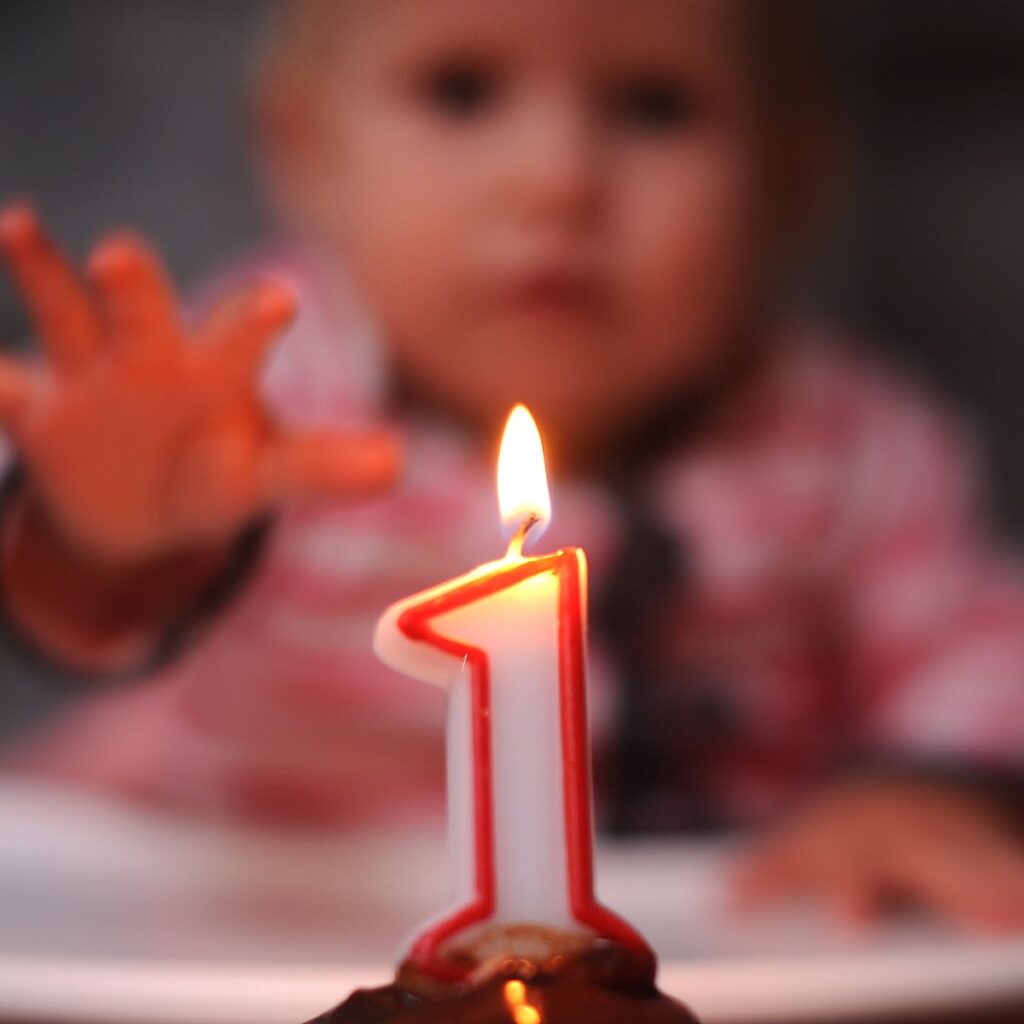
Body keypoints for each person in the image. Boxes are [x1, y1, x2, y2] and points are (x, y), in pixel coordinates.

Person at [0, 0, 1021, 931]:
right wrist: (107, 529)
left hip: (710, 930)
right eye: (462, 90)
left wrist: (921, 789)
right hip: (276, 914)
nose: (556, 177)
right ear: (307, 149)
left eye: (654, 106)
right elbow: (94, 612)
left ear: (789, 176)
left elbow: (974, 642)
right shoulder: (258, 385)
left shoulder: (843, 438)